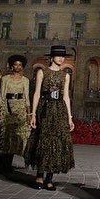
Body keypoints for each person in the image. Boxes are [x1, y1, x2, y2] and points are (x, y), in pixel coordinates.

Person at [26, 46, 75, 190]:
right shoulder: (42, 72)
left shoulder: (65, 75)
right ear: (52, 57)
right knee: (43, 140)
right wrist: (33, 114)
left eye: (63, 56)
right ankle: (39, 176)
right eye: (58, 55)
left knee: (56, 142)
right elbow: (36, 93)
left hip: (59, 110)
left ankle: (49, 178)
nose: (61, 58)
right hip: (45, 108)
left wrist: (70, 117)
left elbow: (66, 96)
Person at [0, 56, 31, 171]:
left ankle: (26, 161)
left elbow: (27, 97)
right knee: (7, 135)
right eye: (15, 64)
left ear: (22, 67)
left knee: (22, 135)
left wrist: (29, 114)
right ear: (12, 66)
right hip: (7, 108)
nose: (17, 67)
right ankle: (6, 163)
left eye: (20, 65)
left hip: (20, 108)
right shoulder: (5, 78)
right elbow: (2, 95)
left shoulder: (25, 80)